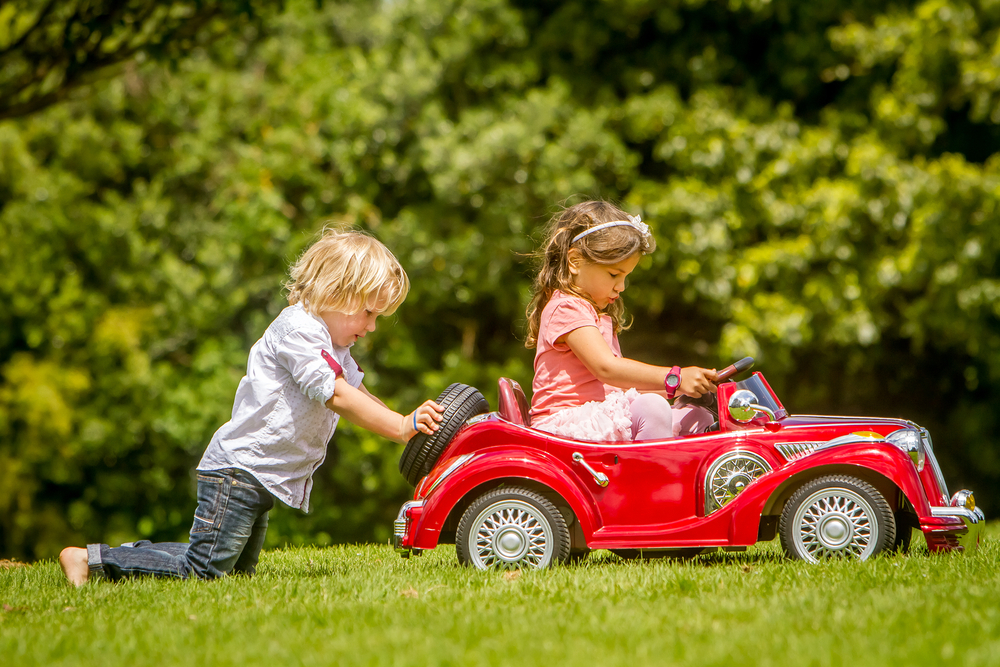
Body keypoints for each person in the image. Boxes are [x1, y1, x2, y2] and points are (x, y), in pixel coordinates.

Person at [59, 228, 443, 585]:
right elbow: (338, 395)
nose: (372, 326)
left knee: (237, 572)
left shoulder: (334, 347)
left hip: (261, 476)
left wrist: (405, 423)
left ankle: (128, 555)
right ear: (337, 293)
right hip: (239, 471)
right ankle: (90, 561)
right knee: (205, 570)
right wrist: (399, 425)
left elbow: (357, 393)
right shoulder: (298, 332)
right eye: (369, 313)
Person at [526, 200, 717, 442]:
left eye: (626, 276)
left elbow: (620, 386)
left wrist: (683, 387)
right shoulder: (566, 307)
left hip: (600, 417)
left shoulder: (597, 315)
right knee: (652, 408)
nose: (621, 286)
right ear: (574, 262)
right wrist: (675, 377)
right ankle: (652, 479)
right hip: (567, 428)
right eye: (614, 274)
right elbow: (607, 369)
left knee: (698, 416)